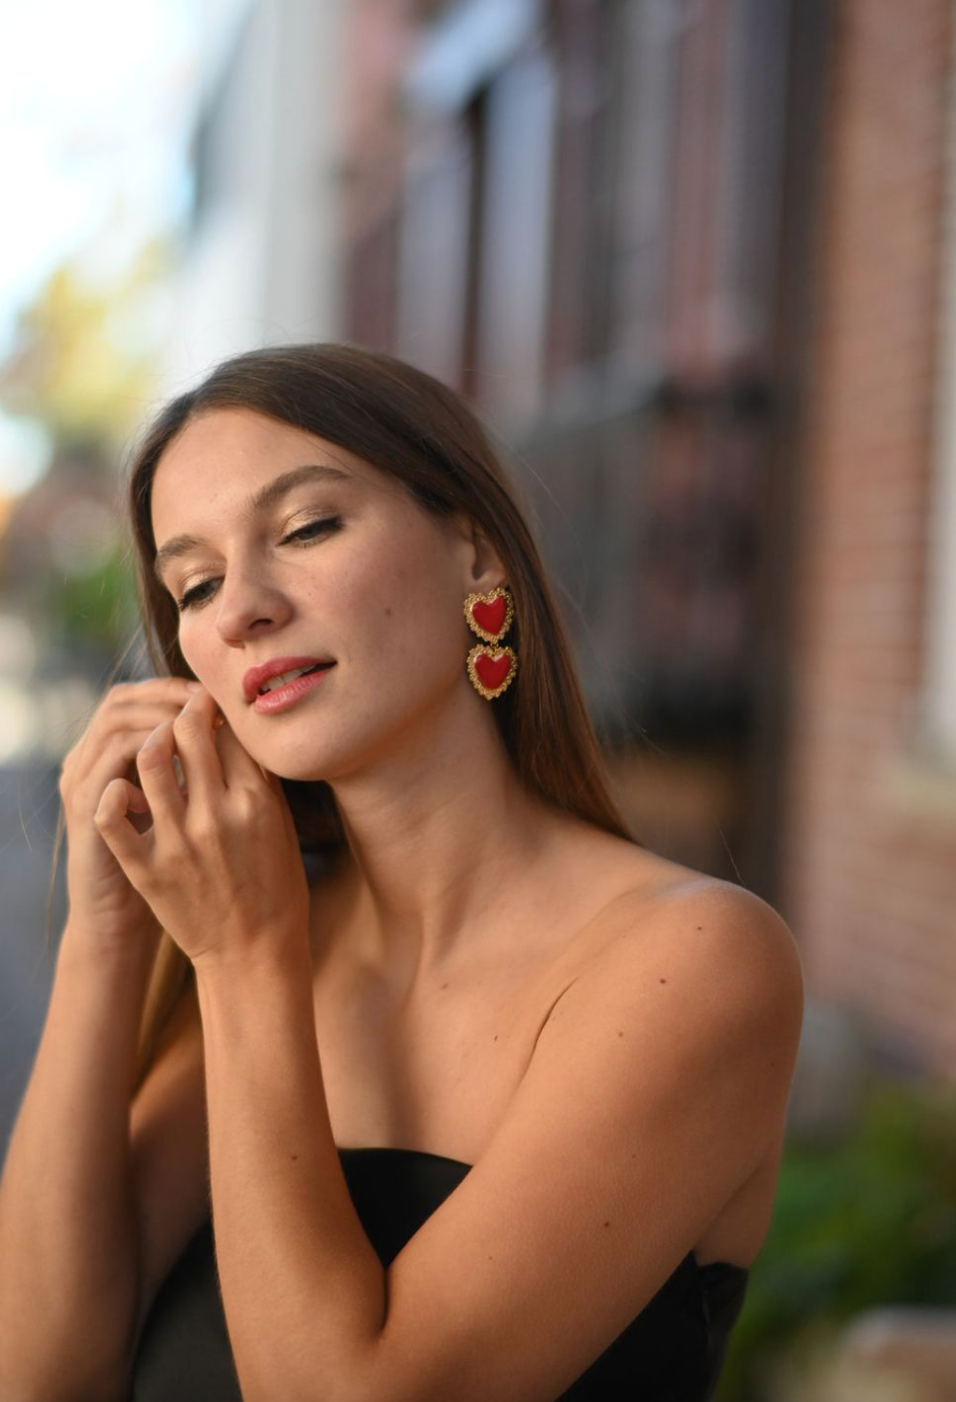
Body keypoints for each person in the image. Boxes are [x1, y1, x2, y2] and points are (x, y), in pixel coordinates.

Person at [0, 342, 804, 1402]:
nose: (240, 608)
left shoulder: (692, 960)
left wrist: (245, 960)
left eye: (305, 527)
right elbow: (40, 1373)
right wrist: (105, 937)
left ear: (475, 556)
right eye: (194, 583)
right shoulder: (272, 934)